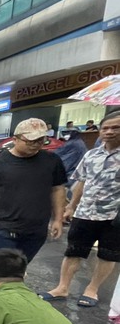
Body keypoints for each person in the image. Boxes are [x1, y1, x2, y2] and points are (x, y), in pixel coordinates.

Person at [40, 111, 120, 307]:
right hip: (85, 212)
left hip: (114, 215)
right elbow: (82, 182)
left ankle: (92, 289)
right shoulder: (91, 155)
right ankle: (62, 287)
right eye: (105, 128)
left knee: (107, 254)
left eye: (115, 128)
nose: (109, 132)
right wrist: (71, 206)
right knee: (73, 251)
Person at [0, 118, 67, 263]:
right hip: (2, 228)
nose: (36, 145)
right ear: (15, 139)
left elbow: (58, 189)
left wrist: (58, 219)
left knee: (20, 267)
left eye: (41, 141)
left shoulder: (52, 161)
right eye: (30, 141)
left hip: (37, 229)